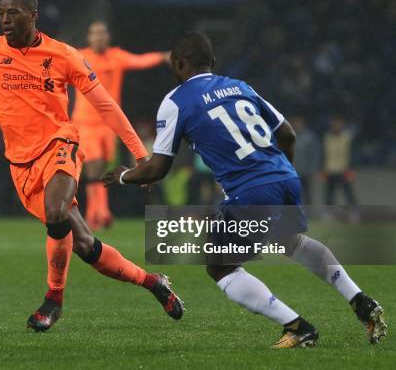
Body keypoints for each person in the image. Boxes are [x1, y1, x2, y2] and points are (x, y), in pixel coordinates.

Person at [102, 31, 386, 347]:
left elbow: (158, 168)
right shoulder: (240, 86)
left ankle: (297, 326)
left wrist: (124, 176)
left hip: (251, 191)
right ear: (212, 62)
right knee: (290, 241)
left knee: (220, 267)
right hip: (285, 178)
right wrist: (279, 174)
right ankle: (359, 299)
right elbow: (287, 134)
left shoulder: (176, 101)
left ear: (177, 63)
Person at [0, 0, 183, 332]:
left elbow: (106, 105)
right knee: (84, 245)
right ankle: (153, 282)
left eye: (14, 12)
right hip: (20, 163)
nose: (6, 19)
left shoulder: (63, 55)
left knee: (56, 211)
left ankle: (54, 300)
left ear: (33, 16)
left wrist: (141, 154)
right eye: (1, 13)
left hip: (60, 143)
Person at [72, 21, 169, 230]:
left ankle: (99, 212)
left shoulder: (116, 57)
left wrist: (162, 56)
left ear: (108, 37)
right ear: (89, 38)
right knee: (94, 164)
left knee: (102, 167)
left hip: (108, 123)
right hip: (85, 122)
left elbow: (140, 61)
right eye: (94, 34)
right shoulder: (79, 56)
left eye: (102, 33)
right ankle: (98, 213)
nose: (99, 37)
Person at [322, 115, 357, 206]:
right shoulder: (327, 137)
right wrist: (324, 168)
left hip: (344, 169)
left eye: (339, 124)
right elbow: (325, 154)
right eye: (335, 124)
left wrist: (351, 168)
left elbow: (352, 153)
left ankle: (353, 211)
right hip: (330, 169)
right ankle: (328, 212)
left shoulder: (347, 137)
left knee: (348, 192)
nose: (337, 126)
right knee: (329, 193)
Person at [291, 115, 320, 204]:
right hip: (292, 171)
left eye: (298, 122)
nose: (297, 124)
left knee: (307, 194)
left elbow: (314, 154)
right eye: (295, 122)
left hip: (305, 171)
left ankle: (309, 213)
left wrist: (312, 168)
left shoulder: (309, 136)